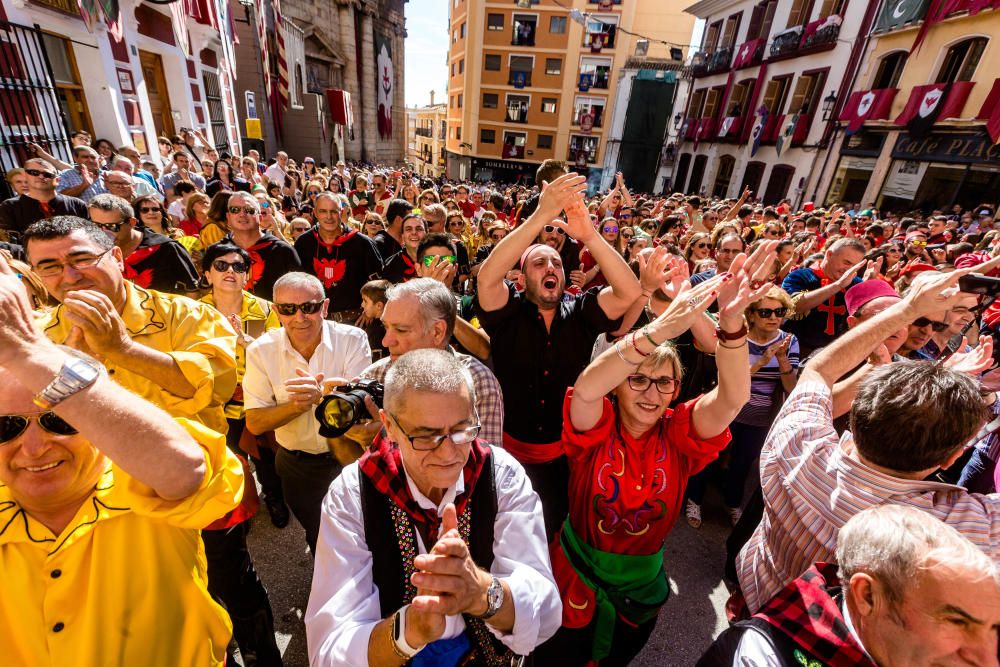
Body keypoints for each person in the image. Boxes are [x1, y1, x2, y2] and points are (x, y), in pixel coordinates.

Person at [537, 243, 777, 666]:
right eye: (638, 380)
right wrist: (663, 328)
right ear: (618, 385)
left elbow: (734, 397)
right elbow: (589, 384)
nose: (651, 393)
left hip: (641, 593)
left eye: (664, 383)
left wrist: (733, 324)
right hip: (572, 578)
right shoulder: (595, 426)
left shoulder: (680, 435)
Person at [0, 253, 244, 667]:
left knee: (235, 580)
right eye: (6, 428)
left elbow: (214, 390)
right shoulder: (36, 331)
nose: (35, 445)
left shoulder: (137, 487)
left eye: (60, 418)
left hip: (196, 488)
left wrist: (118, 349)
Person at [736, 267, 1000, 615]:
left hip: (755, 608)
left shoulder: (800, 450)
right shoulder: (959, 530)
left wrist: (908, 307)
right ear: (952, 458)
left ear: (857, 418)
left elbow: (818, 373)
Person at [304, 349, 562, 665]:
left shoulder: (501, 474)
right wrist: (408, 630)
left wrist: (482, 593)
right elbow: (329, 649)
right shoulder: (352, 494)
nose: (448, 453)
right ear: (390, 426)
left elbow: (547, 616)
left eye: (462, 429)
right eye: (426, 436)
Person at [476, 172, 641, 539]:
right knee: (502, 536)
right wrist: (539, 217)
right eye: (539, 263)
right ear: (520, 280)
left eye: (556, 264)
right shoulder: (506, 313)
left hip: (562, 459)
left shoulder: (581, 313)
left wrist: (590, 236)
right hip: (507, 455)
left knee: (551, 536)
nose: (550, 267)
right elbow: (486, 279)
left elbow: (629, 291)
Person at [701, 505, 1000, 666]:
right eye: (957, 621)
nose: (988, 661)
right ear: (867, 596)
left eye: (995, 630)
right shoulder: (757, 657)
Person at [243, 272, 372, 553]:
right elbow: (254, 423)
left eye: (309, 307)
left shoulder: (352, 339)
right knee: (319, 536)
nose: (300, 316)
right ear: (276, 312)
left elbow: (361, 408)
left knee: (364, 533)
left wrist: (319, 398)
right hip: (299, 466)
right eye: (289, 309)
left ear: (324, 307)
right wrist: (300, 404)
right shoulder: (260, 351)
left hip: (350, 457)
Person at [686, 286, 799, 528]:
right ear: (752, 314)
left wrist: (781, 361)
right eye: (766, 312)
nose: (774, 318)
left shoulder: (789, 341)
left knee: (742, 463)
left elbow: (791, 386)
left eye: (779, 311)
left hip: (759, 418)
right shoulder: (738, 338)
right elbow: (729, 376)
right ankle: (694, 499)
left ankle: (733, 503)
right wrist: (762, 361)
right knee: (710, 458)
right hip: (728, 410)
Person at [199, 241, 288, 527]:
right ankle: (236, 508)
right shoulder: (193, 313)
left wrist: (253, 346)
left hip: (255, 402)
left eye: (238, 267)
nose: (230, 271)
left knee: (265, 460)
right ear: (207, 274)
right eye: (221, 266)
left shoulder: (263, 310)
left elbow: (279, 354)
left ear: (247, 276)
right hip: (213, 404)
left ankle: (274, 498)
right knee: (226, 459)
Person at [354, 277, 504, 445]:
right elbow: (350, 462)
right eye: (386, 327)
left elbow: (483, 467)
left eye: (401, 330)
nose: (386, 341)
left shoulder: (478, 382)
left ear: (437, 332)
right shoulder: (375, 376)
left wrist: (387, 435)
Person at [293, 192, 383, 324]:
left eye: (333, 211)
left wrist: (370, 312)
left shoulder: (362, 243)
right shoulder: (304, 243)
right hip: (314, 320)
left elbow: (379, 283)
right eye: (323, 211)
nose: (329, 217)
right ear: (315, 213)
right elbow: (296, 282)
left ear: (341, 212)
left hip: (354, 321)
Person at [87, 194, 200, 296]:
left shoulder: (167, 248)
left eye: (111, 226)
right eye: (95, 225)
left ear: (131, 223)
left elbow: (192, 290)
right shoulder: (92, 251)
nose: (103, 232)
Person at [781, 238, 867, 357]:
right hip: (796, 352)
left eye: (855, 266)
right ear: (829, 255)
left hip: (835, 355)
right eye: (846, 263)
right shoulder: (800, 276)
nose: (849, 270)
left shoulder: (857, 283)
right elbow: (792, 307)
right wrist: (838, 285)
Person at [224, 191, 302, 302]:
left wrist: (276, 230)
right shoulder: (220, 249)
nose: (242, 214)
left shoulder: (282, 248)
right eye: (235, 210)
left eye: (249, 210)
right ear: (228, 216)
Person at [0, 159, 88, 235]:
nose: (41, 176)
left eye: (47, 174)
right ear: (26, 177)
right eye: (34, 173)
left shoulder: (77, 204)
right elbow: (10, 242)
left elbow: (89, 235)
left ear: (57, 180)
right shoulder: (9, 207)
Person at [381, 214, 427, 284]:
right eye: (408, 229)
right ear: (402, 236)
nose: (414, 232)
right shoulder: (390, 266)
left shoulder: (437, 258)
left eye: (419, 229)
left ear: (427, 234)